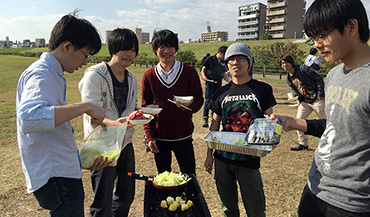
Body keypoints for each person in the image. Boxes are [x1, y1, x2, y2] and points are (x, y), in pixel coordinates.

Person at [272, 0, 370, 216]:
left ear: (352, 27)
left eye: (322, 35)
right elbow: (336, 127)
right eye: (313, 37)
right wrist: (292, 122)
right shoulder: (334, 74)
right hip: (315, 188)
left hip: (352, 204)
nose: (316, 44)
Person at [16, 13, 110, 217]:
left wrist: (81, 161)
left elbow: (51, 131)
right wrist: (86, 106)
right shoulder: (42, 73)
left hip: (59, 173)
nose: (86, 61)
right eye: (85, 54)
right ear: (67, 46)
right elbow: (29, 118)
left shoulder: (52, 73)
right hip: (56, 178)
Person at [204, 43, 277, 217]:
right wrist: (209, 155)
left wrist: (272, 137)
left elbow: (270, 119)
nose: (235, 62)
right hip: (222, 157)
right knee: (228, 208)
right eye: (231, 60)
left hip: (249, 160)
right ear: (227, 64)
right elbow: (215, 125)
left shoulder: (263, 89)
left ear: (249, 62)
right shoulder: (221, 92)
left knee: (255, 208)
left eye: (240, 58)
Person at [79, 28, 139, 217]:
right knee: (102, 198)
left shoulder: (132, 77)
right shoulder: (95, 76)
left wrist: (139, 114)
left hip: (125, 142)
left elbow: (132, 107)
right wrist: (115, 123)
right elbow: (91, 112)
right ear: (112, 49)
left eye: (133, 49)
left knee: (126, 194)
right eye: (123, 49)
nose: (129, 54)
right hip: (102, 145)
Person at [141, 29, 204, 175]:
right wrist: (150, 136)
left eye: (170, 46)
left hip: (184, 135)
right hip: (160, 137)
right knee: (164, 178)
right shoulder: (149, 76)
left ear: (176, 48)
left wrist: (188, 106)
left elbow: (199, 99)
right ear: (155, 50)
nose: (166, 51)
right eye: (161, 46)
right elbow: (146, 109)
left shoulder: (189, 72)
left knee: (189, 176)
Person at [279, 54, 326, 151]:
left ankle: (331, 143)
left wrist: (320, 94)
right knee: (298, 121)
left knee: (327, 122)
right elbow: (298, 90)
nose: (285, 65)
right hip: (305, 101)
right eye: (282, 63)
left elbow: (319, 79)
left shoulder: (302, 69)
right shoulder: (288, 79)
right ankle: (303, 144)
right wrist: (296, 97)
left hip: (317, 99)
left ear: (291, 62)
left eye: (286, 62)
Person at [201, 46, 231, 128]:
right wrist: (204, 76)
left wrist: (231, 82)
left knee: (216, 101)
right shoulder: (210, 59)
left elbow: (224, 75)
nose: (225, 57)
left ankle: (213, 118)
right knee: (208, 100)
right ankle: (205, 118)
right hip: (210, 84)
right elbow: (203, 69)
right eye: (225, 54)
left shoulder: (223, 62)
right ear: (220, 53)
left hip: (218, 84)